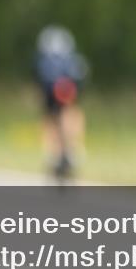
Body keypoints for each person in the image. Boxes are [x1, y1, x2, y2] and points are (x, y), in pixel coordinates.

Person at [35, 25, 88, 182]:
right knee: (69, 114)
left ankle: (59, 151)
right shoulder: (72, 60)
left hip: (57, 95)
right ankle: (69, 150)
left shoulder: (45, 61)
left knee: (55, 117)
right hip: (64, 94)